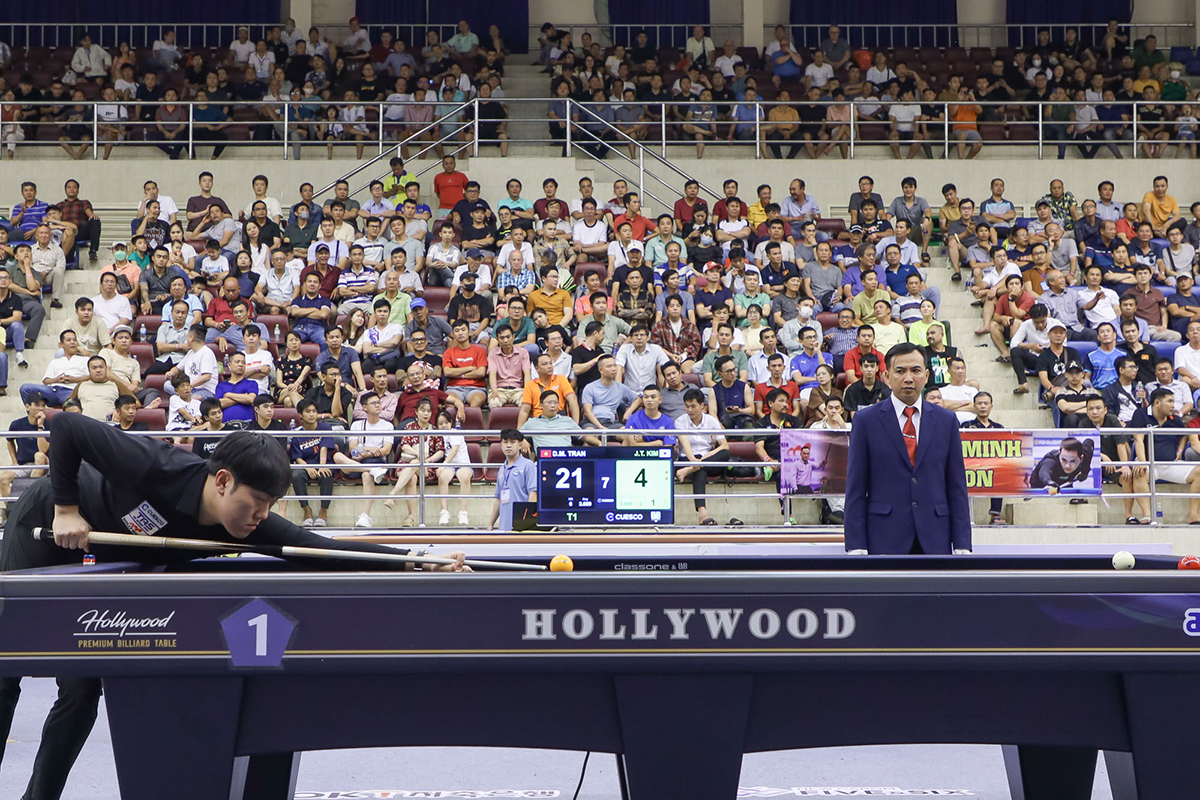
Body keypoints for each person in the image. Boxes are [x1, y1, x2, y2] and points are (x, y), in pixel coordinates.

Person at [0, 415, 470, 800]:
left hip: (99, 560)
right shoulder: (156, 464)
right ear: (223, 481)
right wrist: (65, 508)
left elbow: (317, 547)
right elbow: (66, 429)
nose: (265, 515)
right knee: (5, 668)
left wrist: (416, 562)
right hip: (45, 524)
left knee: (82, 689)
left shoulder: (241, 523)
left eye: (272, 504)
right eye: (260, 501)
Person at [844, 342, 971, 554]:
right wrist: (856, 545)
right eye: (900, 371)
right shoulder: (866, 421)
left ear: (927, 375)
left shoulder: (946, 421)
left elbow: (956, 485)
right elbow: (856, 487)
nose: (909, 378)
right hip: (883, 537)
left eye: (916, 370)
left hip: (935, 536)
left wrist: (962, 543)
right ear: (886, 376)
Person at [675, 388, 732, 526]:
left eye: (693, 406)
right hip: (687, 459)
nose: (690, 410)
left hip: (706, 458)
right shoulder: (680, 421)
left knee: (726, 454)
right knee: (700, 471)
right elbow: (685, 444)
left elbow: (724, 446)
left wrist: (706, 457)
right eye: (687, 406)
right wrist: (694, 462)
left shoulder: (711, 421)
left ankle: (689, 470)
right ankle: (702, 513)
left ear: (702, 405)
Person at [487, 429, 537, 531]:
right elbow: (498, 499)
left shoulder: (528, 465)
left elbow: (533, 494)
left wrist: (527, 522)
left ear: (519, 445)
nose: (508, 446)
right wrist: (490, 524)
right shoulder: (502, 469)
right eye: (505, 442)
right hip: (504, 527)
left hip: (521, 527)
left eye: (513, 442)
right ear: (501, 444)